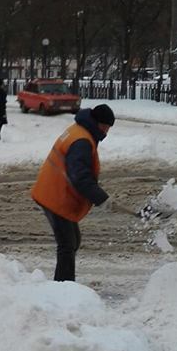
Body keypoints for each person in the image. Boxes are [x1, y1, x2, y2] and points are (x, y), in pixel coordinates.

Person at [31, 104, 115, 282]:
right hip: (54, 196)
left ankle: (63, 284)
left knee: (73, 240)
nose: (107, 132)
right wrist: (102, 199)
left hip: (55, 191)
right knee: (67, 245)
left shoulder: (80, 130)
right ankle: (63, 288)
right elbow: (81, 177)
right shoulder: (82, 141)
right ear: (100, 124)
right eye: (107, 127)